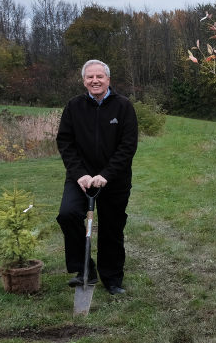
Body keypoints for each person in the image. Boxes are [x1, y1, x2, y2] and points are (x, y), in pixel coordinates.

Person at [56, 59, 138, 295]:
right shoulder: (73, 106)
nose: (95, 81)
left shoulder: (123, 106)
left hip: (114, 180)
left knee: (112, 227)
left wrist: (106, 175)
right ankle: (84, 269)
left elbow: (127, 146)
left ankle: (112, 279)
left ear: (108, 80)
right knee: (68, 215)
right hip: (79, 178)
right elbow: (65, 142)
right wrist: (80, 174)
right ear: (84, 81)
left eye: (99, 77)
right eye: (90, 77)